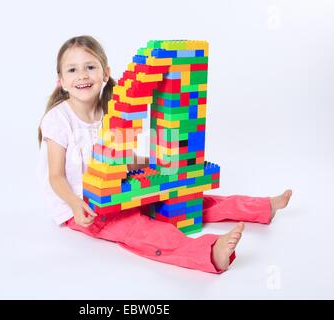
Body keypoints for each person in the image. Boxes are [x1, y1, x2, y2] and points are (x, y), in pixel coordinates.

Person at [37, 35, 292, 273]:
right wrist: (74, 204)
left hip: (115, 188)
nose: (82, 75)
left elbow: (115, 159)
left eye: (90, 67)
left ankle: (261, 207)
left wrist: (150, 165)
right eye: (72, 69)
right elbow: (56, 176)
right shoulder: (59, 120)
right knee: (140, 228)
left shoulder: (110, 111)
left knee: (186, 200)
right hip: (84, 206)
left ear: (105, 73)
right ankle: (209, 252)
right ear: (60, 80)